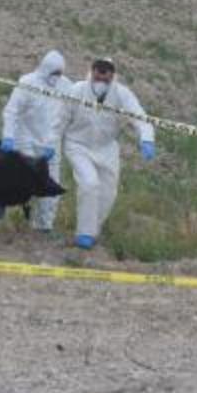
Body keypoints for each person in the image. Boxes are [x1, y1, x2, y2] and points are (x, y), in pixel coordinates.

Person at [45, 57, 156, 250]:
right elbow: (59, 120)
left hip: (106, 148)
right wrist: (50, 143)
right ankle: (84, 234)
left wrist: (146, 138)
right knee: (89, 183)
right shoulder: (77, 90)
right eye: (99, 71)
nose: (102, 76)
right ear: (92, 70)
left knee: (108, 193)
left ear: (112, 75)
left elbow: (140, 117)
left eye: (106, 72)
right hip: (78, 145)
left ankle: (92, 231)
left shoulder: (122, 94)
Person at [0, 50, 72, 232]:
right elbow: (11, 111)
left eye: (60, 73)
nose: (57, 77)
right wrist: (8, 136)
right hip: (26, 139)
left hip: (50, 145)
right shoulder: (27, 83)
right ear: (45, 69)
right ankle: (2, 199)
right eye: (54, 73)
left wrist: (54, 141)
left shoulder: (67, 87)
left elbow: (66, 117)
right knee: (22, 181)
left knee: (51, 186)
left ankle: (43, 227)